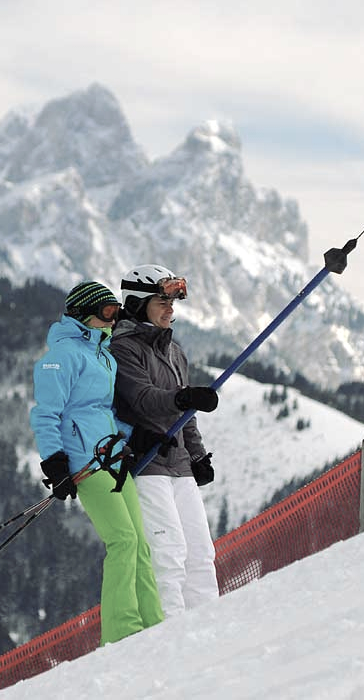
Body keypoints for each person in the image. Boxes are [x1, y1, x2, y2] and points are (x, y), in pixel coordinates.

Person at [30, 280, 164, 645]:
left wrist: (134, 436)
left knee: (140, 541)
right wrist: (56, 465)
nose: (113, 318)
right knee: (122, 540)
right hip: (83, 461)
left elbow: (99, 410)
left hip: (112, 456)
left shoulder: (102, 355)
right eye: (107, 312)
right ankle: (123, 634)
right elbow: (46, 415)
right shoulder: (61, 357)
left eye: (115, 312)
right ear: (84, 313)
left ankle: (155, 624)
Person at [110, 264, 221, 618]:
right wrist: (183, 398)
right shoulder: (123, 348)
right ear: (138, 302)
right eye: (163, 300)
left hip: (179, 466)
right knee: (168, 553)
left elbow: (184, 417)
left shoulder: (175, 352)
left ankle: (209, 630)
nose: (171, 308)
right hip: (147, 463)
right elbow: (143, 398)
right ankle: (170, 638)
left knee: (200, 553)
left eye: (174, 301)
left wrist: (198, 456)